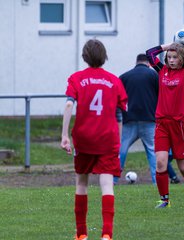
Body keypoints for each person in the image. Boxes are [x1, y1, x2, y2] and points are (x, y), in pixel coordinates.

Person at [61, 39, 128, 240]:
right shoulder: (115, 81)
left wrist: (65, 135)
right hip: (108, 138)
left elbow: (68, 106)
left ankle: (81, 234)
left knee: (81, 183)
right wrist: (119, 139)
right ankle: (107, 234)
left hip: (84, 138)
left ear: (84, 56)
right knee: (107, 184)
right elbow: (119, 114)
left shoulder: (76, 78)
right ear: (104, 57)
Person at [146, 36, 184, 208]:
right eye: (169, 57)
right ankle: (164, 200)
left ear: (182, 58)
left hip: (180, 124)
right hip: (162, 123)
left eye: (175, 57)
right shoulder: (162, 71)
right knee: (161, 162)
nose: (171, 60)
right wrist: (170, 46)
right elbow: (149, 53)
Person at [113, 54, 180, 185]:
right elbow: (163, 97)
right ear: (148, 64)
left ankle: (113, 180)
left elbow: (117, 100)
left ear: (136, 62)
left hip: (128, 121)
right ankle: (157, 182)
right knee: (154, 152)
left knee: (120, 150)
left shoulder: (124, 77)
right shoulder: (155, 76)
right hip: (149, 121)